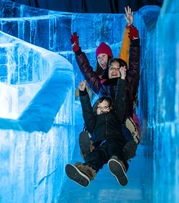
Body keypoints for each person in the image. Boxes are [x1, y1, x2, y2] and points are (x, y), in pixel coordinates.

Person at [71, 6, 140, 161]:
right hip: (105, 115)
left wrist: (130, 30)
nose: (101, 60)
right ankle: (90, 143)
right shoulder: (101, 83)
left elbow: (130, 58)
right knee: (98, 116)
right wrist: (77, 51)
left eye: (104, 56)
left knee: (121, 129)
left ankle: (125, 148)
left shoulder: (125, 76)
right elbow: (87, 71)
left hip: (122, 113)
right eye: (99, 57)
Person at [65, 66, 129, 187]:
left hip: (116, 139)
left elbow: (120, 99)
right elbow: (87, 110)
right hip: (101, 142)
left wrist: (123, 78)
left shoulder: (116, 116)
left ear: (110, 109)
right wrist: (83, 92)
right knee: (97, 156)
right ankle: (86, 172)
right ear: (96, 109)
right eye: (100, 107)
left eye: (106, 107)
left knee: (114, 149)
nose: (103, 109)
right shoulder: (93, 122)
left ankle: (119, 164)